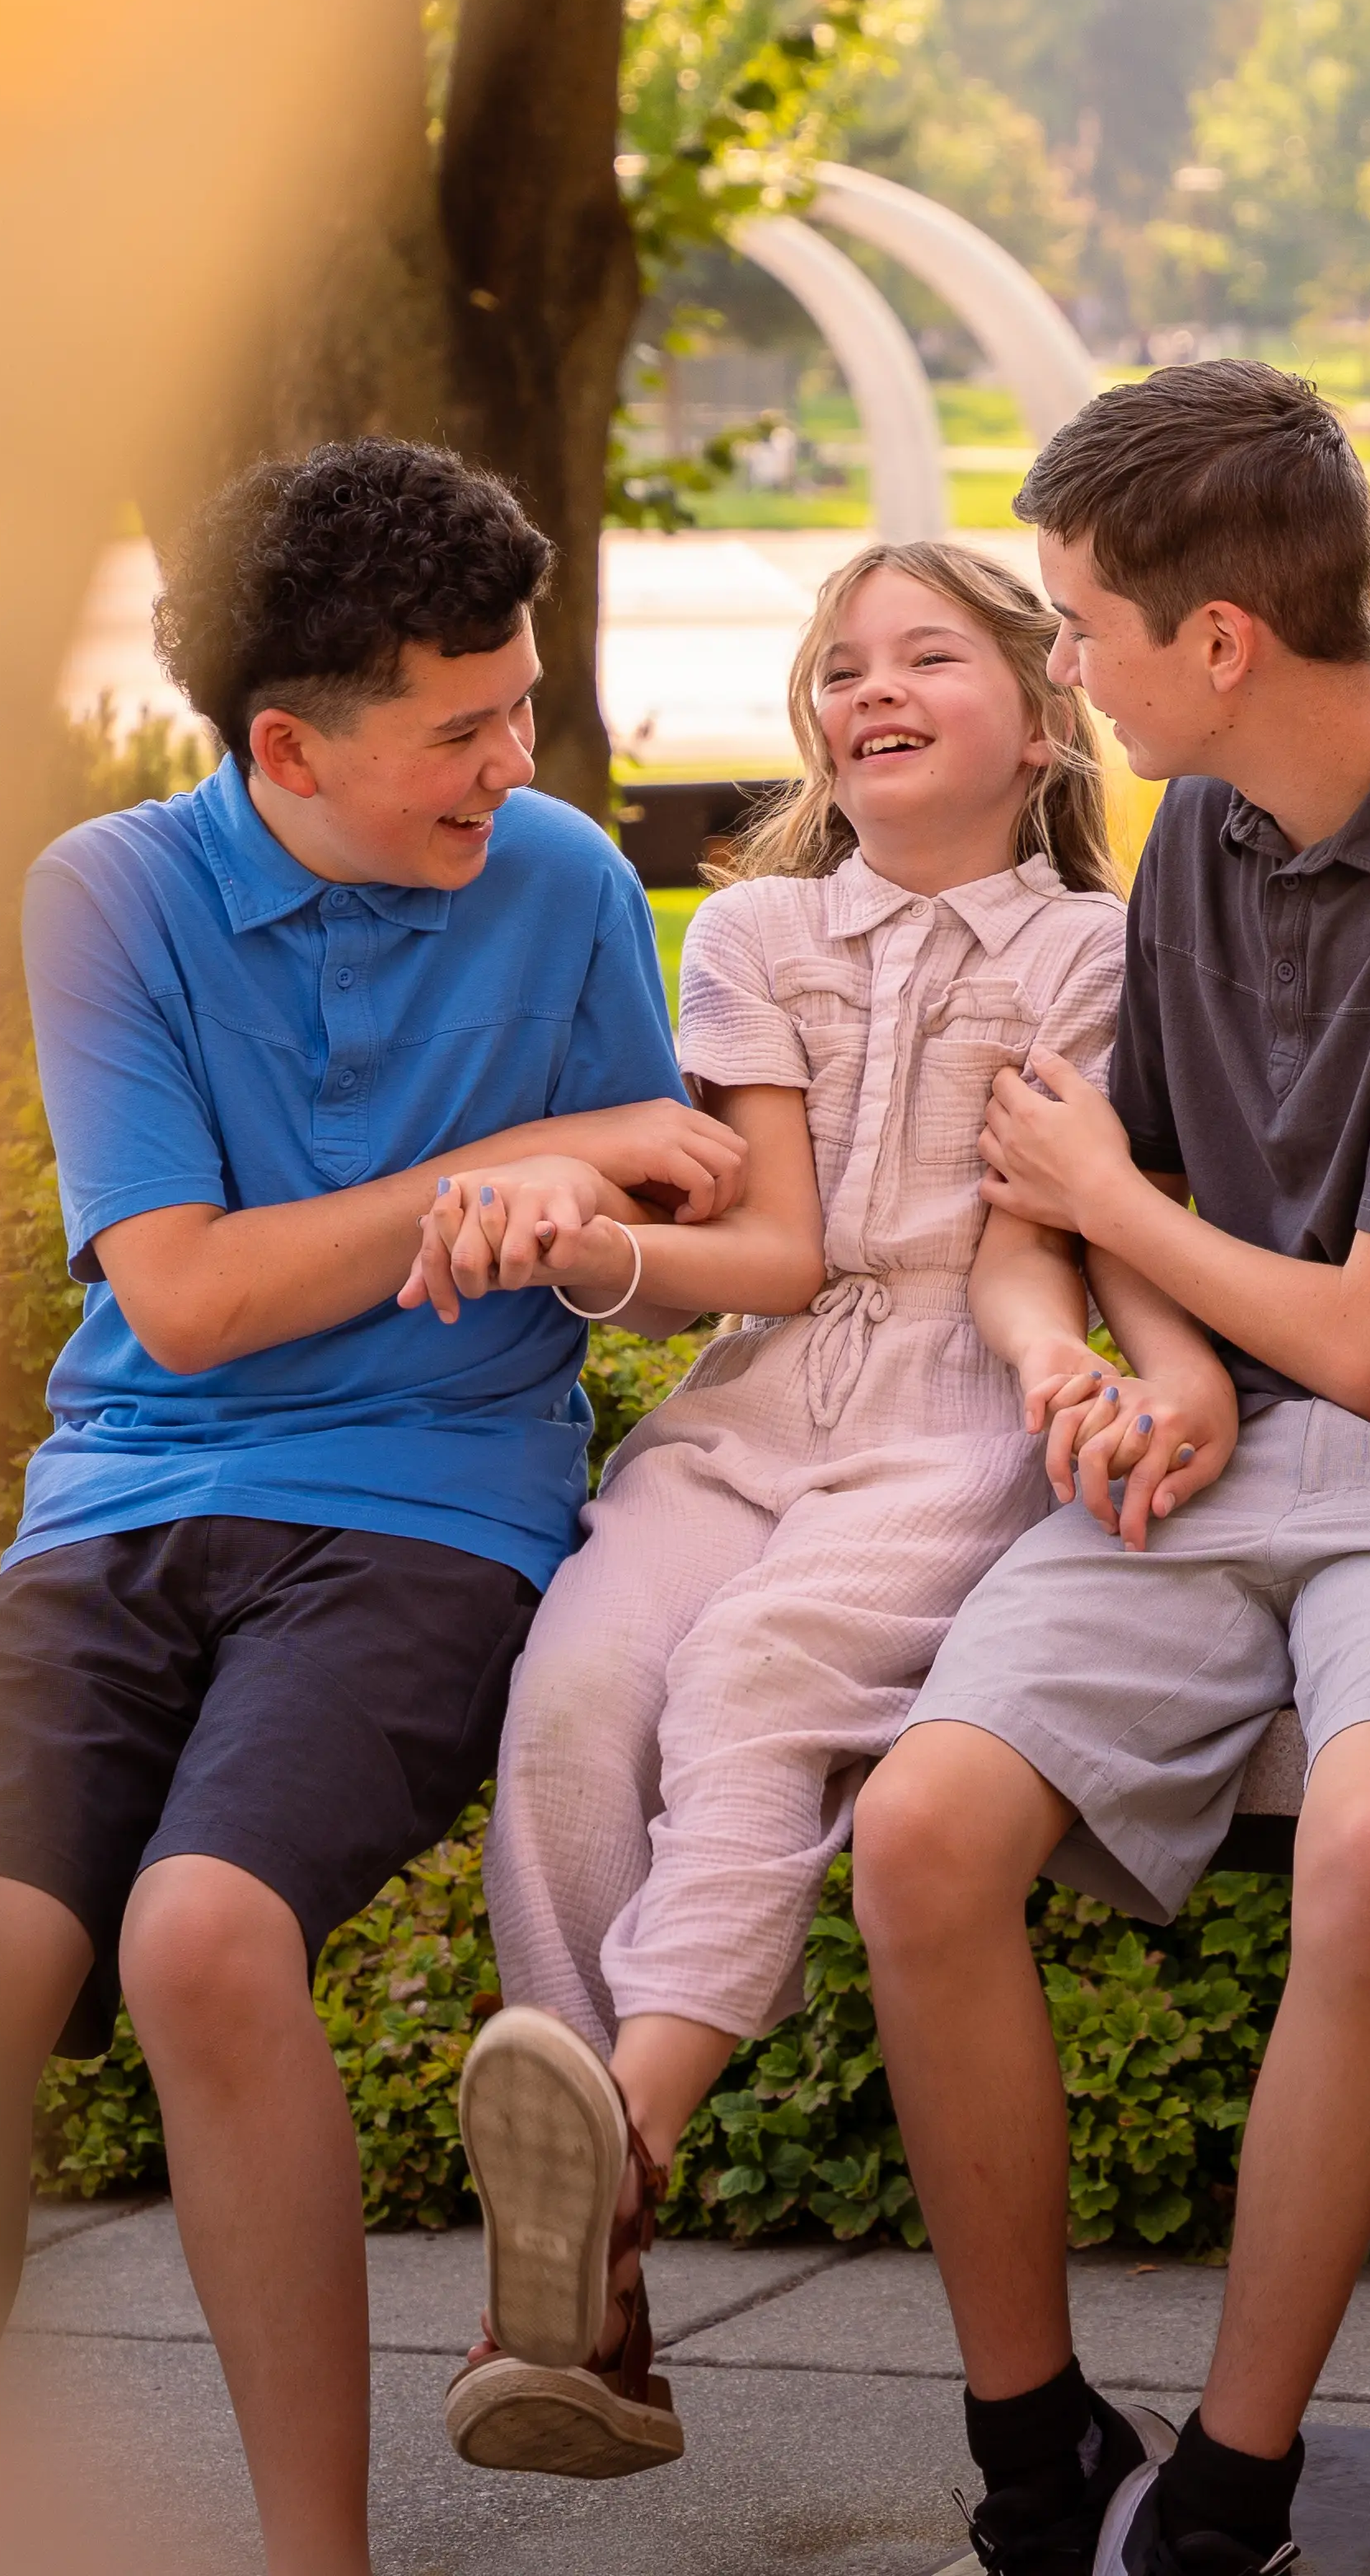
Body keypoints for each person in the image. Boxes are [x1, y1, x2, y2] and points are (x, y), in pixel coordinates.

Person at [849, 360, 1370, 2576]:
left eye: (1080, 626)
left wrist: (1125, 1231)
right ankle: (1034, 2459)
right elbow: (1149, 1194)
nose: (1061, 668)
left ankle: (1234, 2491)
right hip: (1224, 1452)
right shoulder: (1202, 819)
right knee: (918, 1837)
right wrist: (1170, 1355)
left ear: (1218, 641)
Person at [0, 439, 736, 2576]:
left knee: (203, 1935)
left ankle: (315, 2562)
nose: (516, 765)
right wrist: (524, 1155)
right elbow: (182, 1298)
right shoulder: (108, 894)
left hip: (428, 1507)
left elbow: (665, 1191)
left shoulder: (557, 884)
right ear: (287, 744)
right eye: (459, 731)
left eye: (522, 707)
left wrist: (593, 1179)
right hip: (125, 1500)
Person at [421, 543, 1130, 2481]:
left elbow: (1022, 1251)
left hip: (956, 1413)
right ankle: (599, 2292)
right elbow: (778, 1250)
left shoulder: (1093, 953)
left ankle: (605, 2177)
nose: (869, 686)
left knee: (754, 1674)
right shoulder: (755, 935)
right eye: (838, 665)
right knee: (576, 1694)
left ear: (1047, 713)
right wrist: (589, 1255)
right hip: (756, 1405)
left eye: (926, 655)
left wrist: (1073, 1374)